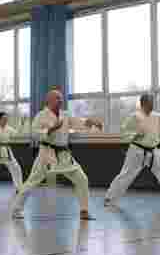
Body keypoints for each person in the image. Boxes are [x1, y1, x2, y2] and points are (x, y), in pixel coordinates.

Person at [11, 89, 103, 220]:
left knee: (82, 179)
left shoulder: (65, 115)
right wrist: (51, 129)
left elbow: (78, 122)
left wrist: (92, 122)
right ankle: (16, 209)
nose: (60, 100)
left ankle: (84, 210)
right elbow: (35, 134)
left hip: (64, 155)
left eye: (61, 98)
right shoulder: (41, 116)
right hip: (47, 154)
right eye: (57, 98)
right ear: (49, 100)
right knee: (32, 182)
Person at [105, 93, 160, 206]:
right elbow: (123, 131)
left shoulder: (156, 116)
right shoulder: (134, 116)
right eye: (150, 102)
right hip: (137, 151)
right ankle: (110, 198)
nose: (152, 105)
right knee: (126, 175)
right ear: (143, 103)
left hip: (153, 151)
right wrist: (135, 135)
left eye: (152, 102)